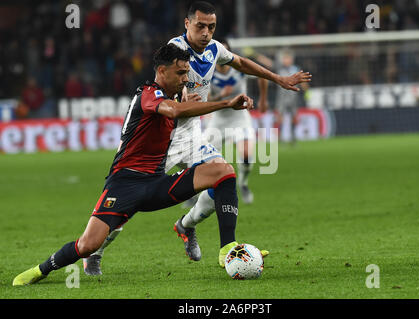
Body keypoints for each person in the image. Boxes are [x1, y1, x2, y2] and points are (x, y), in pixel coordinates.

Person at [84, 1, 312, 274]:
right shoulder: (176, 49)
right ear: (187, 24)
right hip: (161, 140)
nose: (206, 32)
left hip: (192, 135)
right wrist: (179, 99)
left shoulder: (215, 49)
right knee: (127, 204)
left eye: (211, 27)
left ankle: (187, 225)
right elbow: (160, 89)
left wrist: (278, 79)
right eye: (200, 26)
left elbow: (240, 62)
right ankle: (94, 252)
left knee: (222, 177)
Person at [12, 43, 254, 286]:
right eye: (180, 73)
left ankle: (227, 249)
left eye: (186, 72)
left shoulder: (174, 97)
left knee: (223, 172)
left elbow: (174, 116)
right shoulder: (148, 93)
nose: (185, 78)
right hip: (125, 184)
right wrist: (224, 103)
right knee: (88, 245)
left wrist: (186, 105)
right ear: (161, 71)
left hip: (157, 183)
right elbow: (172, 112)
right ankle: (40, 270)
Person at [207, 39, 268, 204]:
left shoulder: (239, 68)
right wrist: (221, 96)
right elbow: (206, 100)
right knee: (202, 161)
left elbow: (261, 75)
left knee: (247, 154)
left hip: (239, 118)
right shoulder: (208, 72)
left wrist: (263, 99)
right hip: (218, 120)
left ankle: (243, 183)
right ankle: (195, 195)